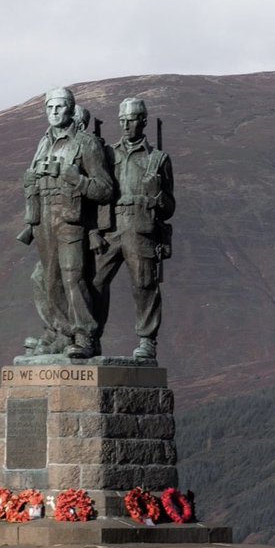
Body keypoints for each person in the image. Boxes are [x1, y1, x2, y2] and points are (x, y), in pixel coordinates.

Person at [19, 87, 115, 358]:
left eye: (59, 107)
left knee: (73, 277)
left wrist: (75, 178)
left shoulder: (86, 143)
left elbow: (105, 189)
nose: (54, 112)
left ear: (71, 109)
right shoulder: (44, 143)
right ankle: (62, 334)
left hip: (72, 220)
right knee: (49, 280)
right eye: (49, 108)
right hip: (44, 220)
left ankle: (85, 336)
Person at [92, 97, 174, 360]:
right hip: (110, 227)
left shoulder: (158, 159)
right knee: (94, 281)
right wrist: (94, 230)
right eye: (122, 120)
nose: (125, 125)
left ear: (144, 121)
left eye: (131, 120)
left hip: (140, 227)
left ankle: (147, 340)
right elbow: (96, 193)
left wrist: (157, 193)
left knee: (144, 284)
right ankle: (90, 336)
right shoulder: (108, 154)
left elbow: (170, 207)